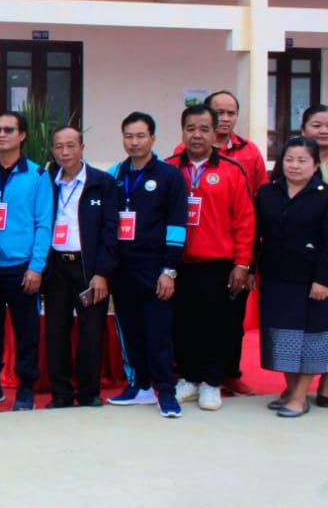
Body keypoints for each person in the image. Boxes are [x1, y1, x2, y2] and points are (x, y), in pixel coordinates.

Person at [172, 90, 266, 397]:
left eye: (204, 129)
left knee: (219, 324)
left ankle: (212, 382)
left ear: (215, 134)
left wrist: (243, 264)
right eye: (191, 129)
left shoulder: (233, 170)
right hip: (179, 263)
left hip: (219, 263)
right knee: (184, 323)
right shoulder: (170, 168)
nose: (197, 135)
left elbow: (245, 221)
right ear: (182, 132)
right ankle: (189, 377)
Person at [106, 112, 188, 418]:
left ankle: (166, 391)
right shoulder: (115, 175)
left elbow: (177, 225)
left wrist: (169, 270)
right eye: (128, 136)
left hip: (155, 267)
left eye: (141, 136)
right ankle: (138, 385)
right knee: (130, 329)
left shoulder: (169, 176)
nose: (134, 142)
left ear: (152, 138)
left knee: (159, 332)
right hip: (122, 268)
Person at [0, 112, 53, 412]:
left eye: (9, 129)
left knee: (26, 332)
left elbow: (44, 223)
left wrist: (36, 266)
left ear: (22, 135)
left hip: (22, 268)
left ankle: (26, 387)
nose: (2, 134)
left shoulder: (37, 176)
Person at [253, 137, 328, 418]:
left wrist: (324, 279)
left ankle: (299, 397)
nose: (294, 165)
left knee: (309, 338)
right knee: (282, 336)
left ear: (315, 165)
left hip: (311, 281)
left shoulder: (324, 196)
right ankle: (291, 389)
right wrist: (249, 269)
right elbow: (255, 235)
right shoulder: (267, 193)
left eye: (302, 160)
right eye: (289, 159)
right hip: (275, 277)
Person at [44, 127, 118, 409]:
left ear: (82, 147)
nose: (64, 152)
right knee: (56, 330)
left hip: (88, 267)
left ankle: (89, 393)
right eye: (59, 146)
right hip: (57, 266)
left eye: (71, 145)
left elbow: (110, 231)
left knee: (91, 330)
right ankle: (61, 393)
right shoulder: (48, 183)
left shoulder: (101, 182)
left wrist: (102, 273)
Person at [298, 104, 328, 407]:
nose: (324, 130)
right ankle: (296, 388)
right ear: (304, 129)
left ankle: (326, 384)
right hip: (306, 257)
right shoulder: (296, 160)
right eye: (317, 125)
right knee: (313, 323)